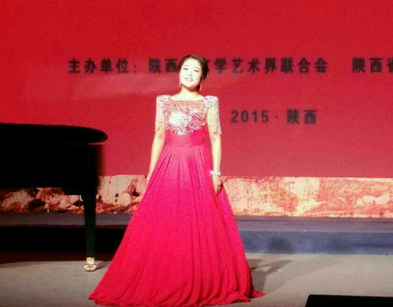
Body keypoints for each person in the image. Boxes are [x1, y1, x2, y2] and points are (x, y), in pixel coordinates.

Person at [89, 55, 265, 306]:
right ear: (179, 73)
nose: (189, 73)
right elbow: (159, 137)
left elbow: (216, 138)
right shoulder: (164, 101)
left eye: (196, 70)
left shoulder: (209, 102)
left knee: (199, 221)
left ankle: (200, 277)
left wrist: (216, 173)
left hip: (197, 163)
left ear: (202, 78)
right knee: (166, 218)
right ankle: (166, 275)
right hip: (169, 163)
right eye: (186, 68)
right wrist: (151, 173)